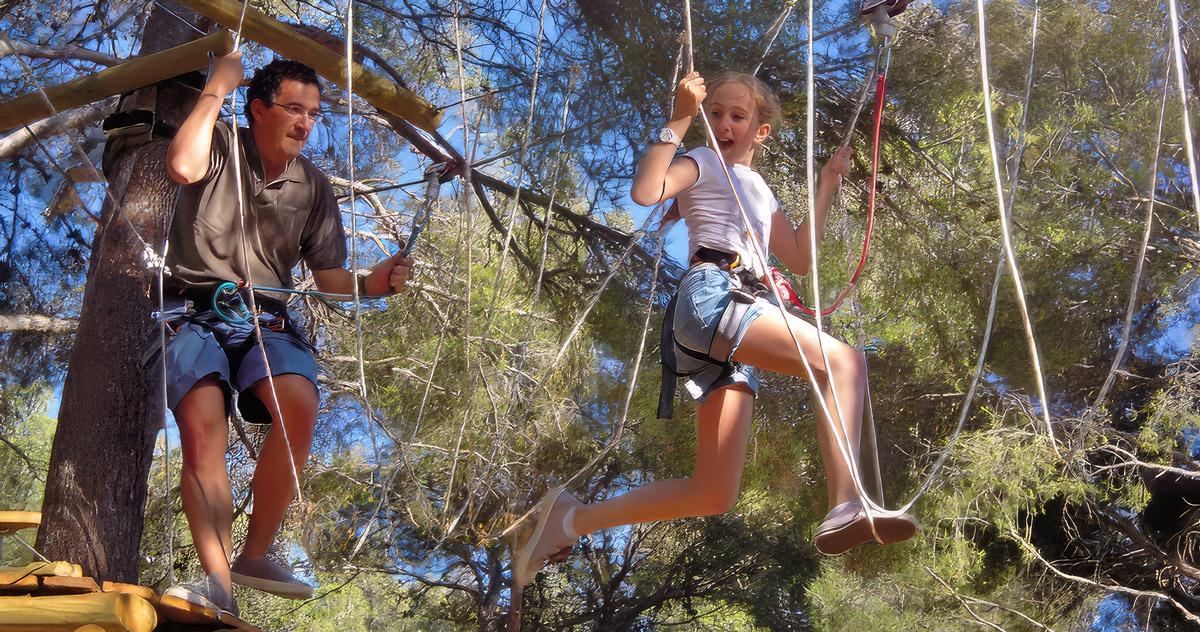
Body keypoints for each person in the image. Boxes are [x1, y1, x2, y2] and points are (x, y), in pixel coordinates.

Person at [511, 70, 916, 587]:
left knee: (714, 492)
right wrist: (680, 116)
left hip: (734, 315)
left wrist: (827, 185)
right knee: (843, 362)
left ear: (760, 131)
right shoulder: (701, 162)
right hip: (713, 295)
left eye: (737, 115)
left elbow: (800, 258)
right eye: (716, 113)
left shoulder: (759, 188)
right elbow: (646, 190)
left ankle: (568, 519)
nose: (724, 123)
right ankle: (845, 503)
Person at [155, 52, 412, 615]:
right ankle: (218, 584)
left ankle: (256, 553)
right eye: (293, 109)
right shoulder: (221, 142)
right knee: (203, 426)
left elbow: (329, 279)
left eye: (315, 113)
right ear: (257, 111)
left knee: (298, 401)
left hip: (263, 319)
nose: (305, 123)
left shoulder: (312, 186)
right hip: (191, 311)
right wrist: (216, 90)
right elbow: (181, 166)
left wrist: (374, 283)